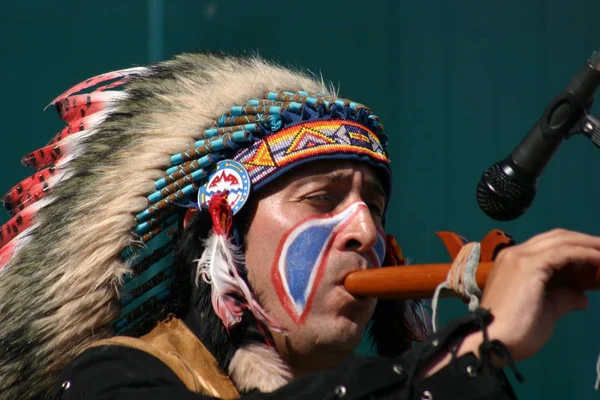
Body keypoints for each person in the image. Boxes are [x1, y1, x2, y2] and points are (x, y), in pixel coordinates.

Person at [0, 52, 596, 400]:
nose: (366, 231)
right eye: (320, 199)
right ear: (222, 230)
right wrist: (472, 352)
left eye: (376, 207)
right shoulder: (113, 380)